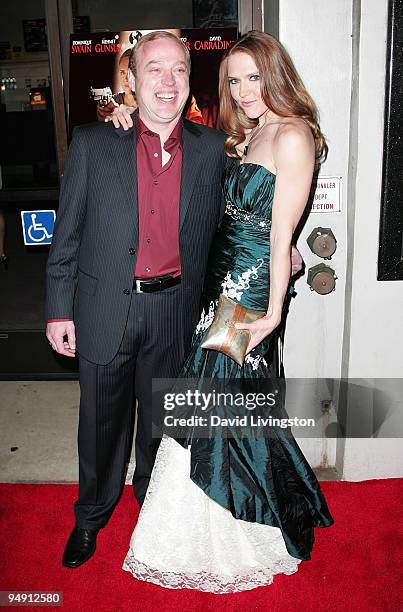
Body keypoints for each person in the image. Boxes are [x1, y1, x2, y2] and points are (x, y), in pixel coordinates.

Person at [46, 30, 301, 571]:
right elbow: (66, 235)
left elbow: (252, 212)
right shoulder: (94, 142)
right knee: (100, 425)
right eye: (153, 69)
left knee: (164, 424)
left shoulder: (215, 149)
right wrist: (58, 308)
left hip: (177, 312)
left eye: (179, 69)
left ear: (190, 83)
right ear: (132, 81)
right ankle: (90, 517)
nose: (167, 80)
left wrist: (290, 250)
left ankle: (151, 503)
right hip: (104, 309)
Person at [121, 31, 334, 593]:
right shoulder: (244, 135)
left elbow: (282, 232)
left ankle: (230, 531)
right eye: (233, 80)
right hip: (217, 286)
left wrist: (272, 312)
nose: (242, 91)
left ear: (275, 75)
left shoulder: (292, 136)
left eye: (253, 78)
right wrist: (126, 113)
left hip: (246, 293)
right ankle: (234, 506)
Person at [96, 49, 137, 122]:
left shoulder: (152, 103)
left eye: (131, 73)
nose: (126, 79)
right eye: (122, 72)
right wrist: (102, 118)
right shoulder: (113, 102)